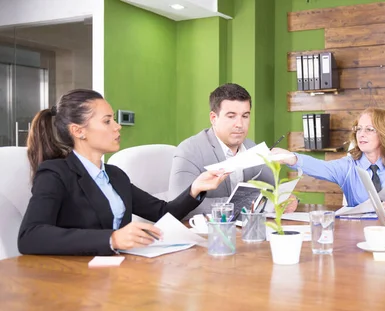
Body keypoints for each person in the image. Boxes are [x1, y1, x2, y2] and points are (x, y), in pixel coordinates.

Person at [18, 89, 228, 256]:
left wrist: (195, 188)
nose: (117, 127)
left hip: (121, 270)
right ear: (78, 131)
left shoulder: (115, 175)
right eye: (107, 121)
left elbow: (163, 213)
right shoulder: (55, 173)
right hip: (76, 278)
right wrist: (113, 239)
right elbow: (30, 236)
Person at [168, 83, 297, 217]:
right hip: (206, 233)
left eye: (245, 116)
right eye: (231, 116)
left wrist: (286, 199)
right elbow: (178, 205)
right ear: (213, 118)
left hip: (249, 231)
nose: (239, 124)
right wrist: (244, 203)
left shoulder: (252, 148)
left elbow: (273, 192)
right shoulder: (189, 150)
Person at [272, 107, 385, 214]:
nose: (361, 134)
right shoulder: (348, 165)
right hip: (359, 232)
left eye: (369, 129)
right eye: (359, 129)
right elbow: (320, 167)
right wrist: (291, 158)